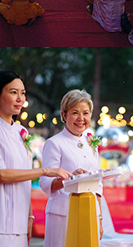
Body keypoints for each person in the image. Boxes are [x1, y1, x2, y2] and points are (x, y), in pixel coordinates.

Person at [0, 71, 69, 247]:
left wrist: (29, 216)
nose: (20, 98)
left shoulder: (20, 132)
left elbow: (23, 180)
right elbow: (1, 175)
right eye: (13, 92)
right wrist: (45, 171)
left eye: (23, 93)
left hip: (19, 222)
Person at [40, 90, 102, 247]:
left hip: (89, 213)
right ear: (64, 115)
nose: (81, 119)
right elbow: (46, 182)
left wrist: (99, 218)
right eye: (75, 113)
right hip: (63, 214)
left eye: (86, 113)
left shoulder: (91, 143)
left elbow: (98, 184)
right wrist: (70, 179)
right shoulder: (54, 143)